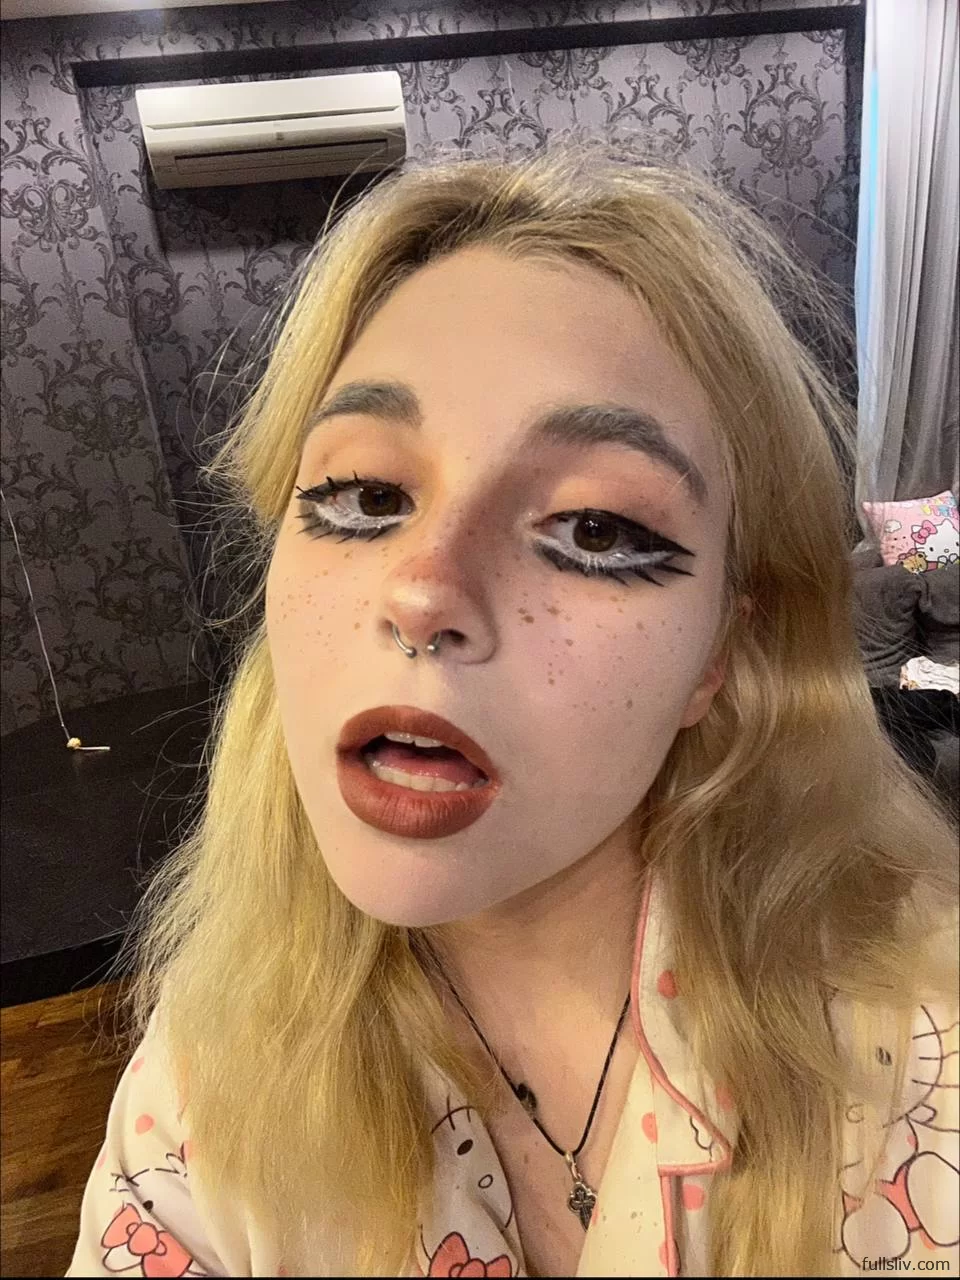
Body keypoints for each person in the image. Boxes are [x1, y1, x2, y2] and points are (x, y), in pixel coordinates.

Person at [67, 139, 958, 1278]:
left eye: (595, 527)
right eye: (365, 494)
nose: (424, 591)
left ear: (720, 652)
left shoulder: (926, 1053)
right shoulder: (209, 1071)